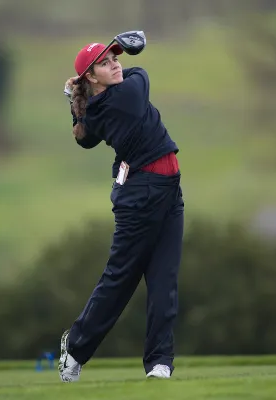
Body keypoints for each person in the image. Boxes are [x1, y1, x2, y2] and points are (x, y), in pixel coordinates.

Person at [58, 41, 184, 382]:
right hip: (142, 194)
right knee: (121, 277)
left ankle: (160, 362)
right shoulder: (125, 95)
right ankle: (76, 346)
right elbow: (141, 74)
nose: (116, 66)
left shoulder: (96, 105)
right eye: (105, 63)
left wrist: (75, 95)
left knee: (164, 279)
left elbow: (84, 139)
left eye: (115, 60)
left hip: (168, 190)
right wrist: (81, 90)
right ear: (92, 78)